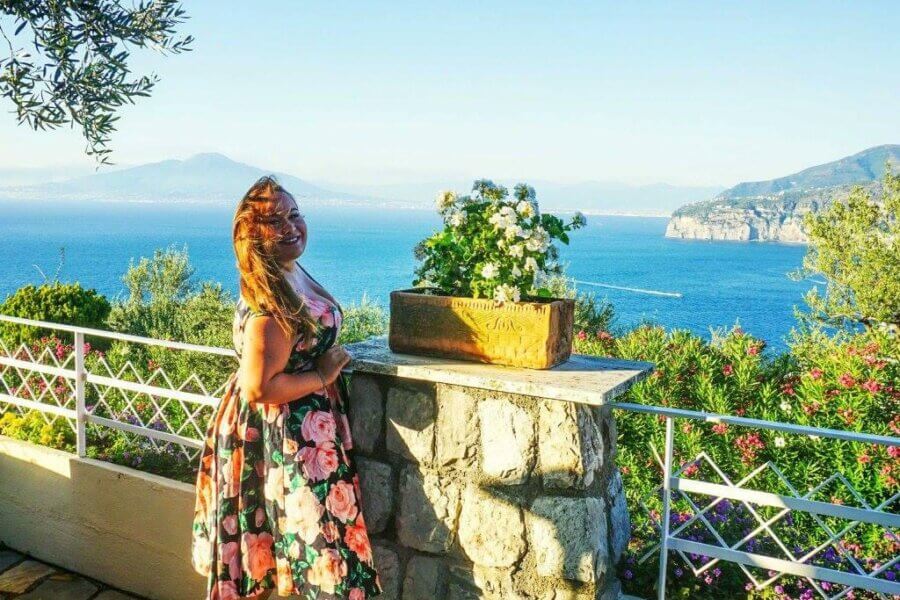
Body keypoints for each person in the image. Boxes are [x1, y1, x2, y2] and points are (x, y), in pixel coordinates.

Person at [191, 176, 382, 599]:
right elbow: (259, 388)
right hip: (283, 434)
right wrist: (321, 376)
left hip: (300, 427)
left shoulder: (288, 271)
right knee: (320, 546)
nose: (290, 226)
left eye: (294, 214)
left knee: (303, 546)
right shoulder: (268, 305)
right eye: (274, 220)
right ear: (252, 234)